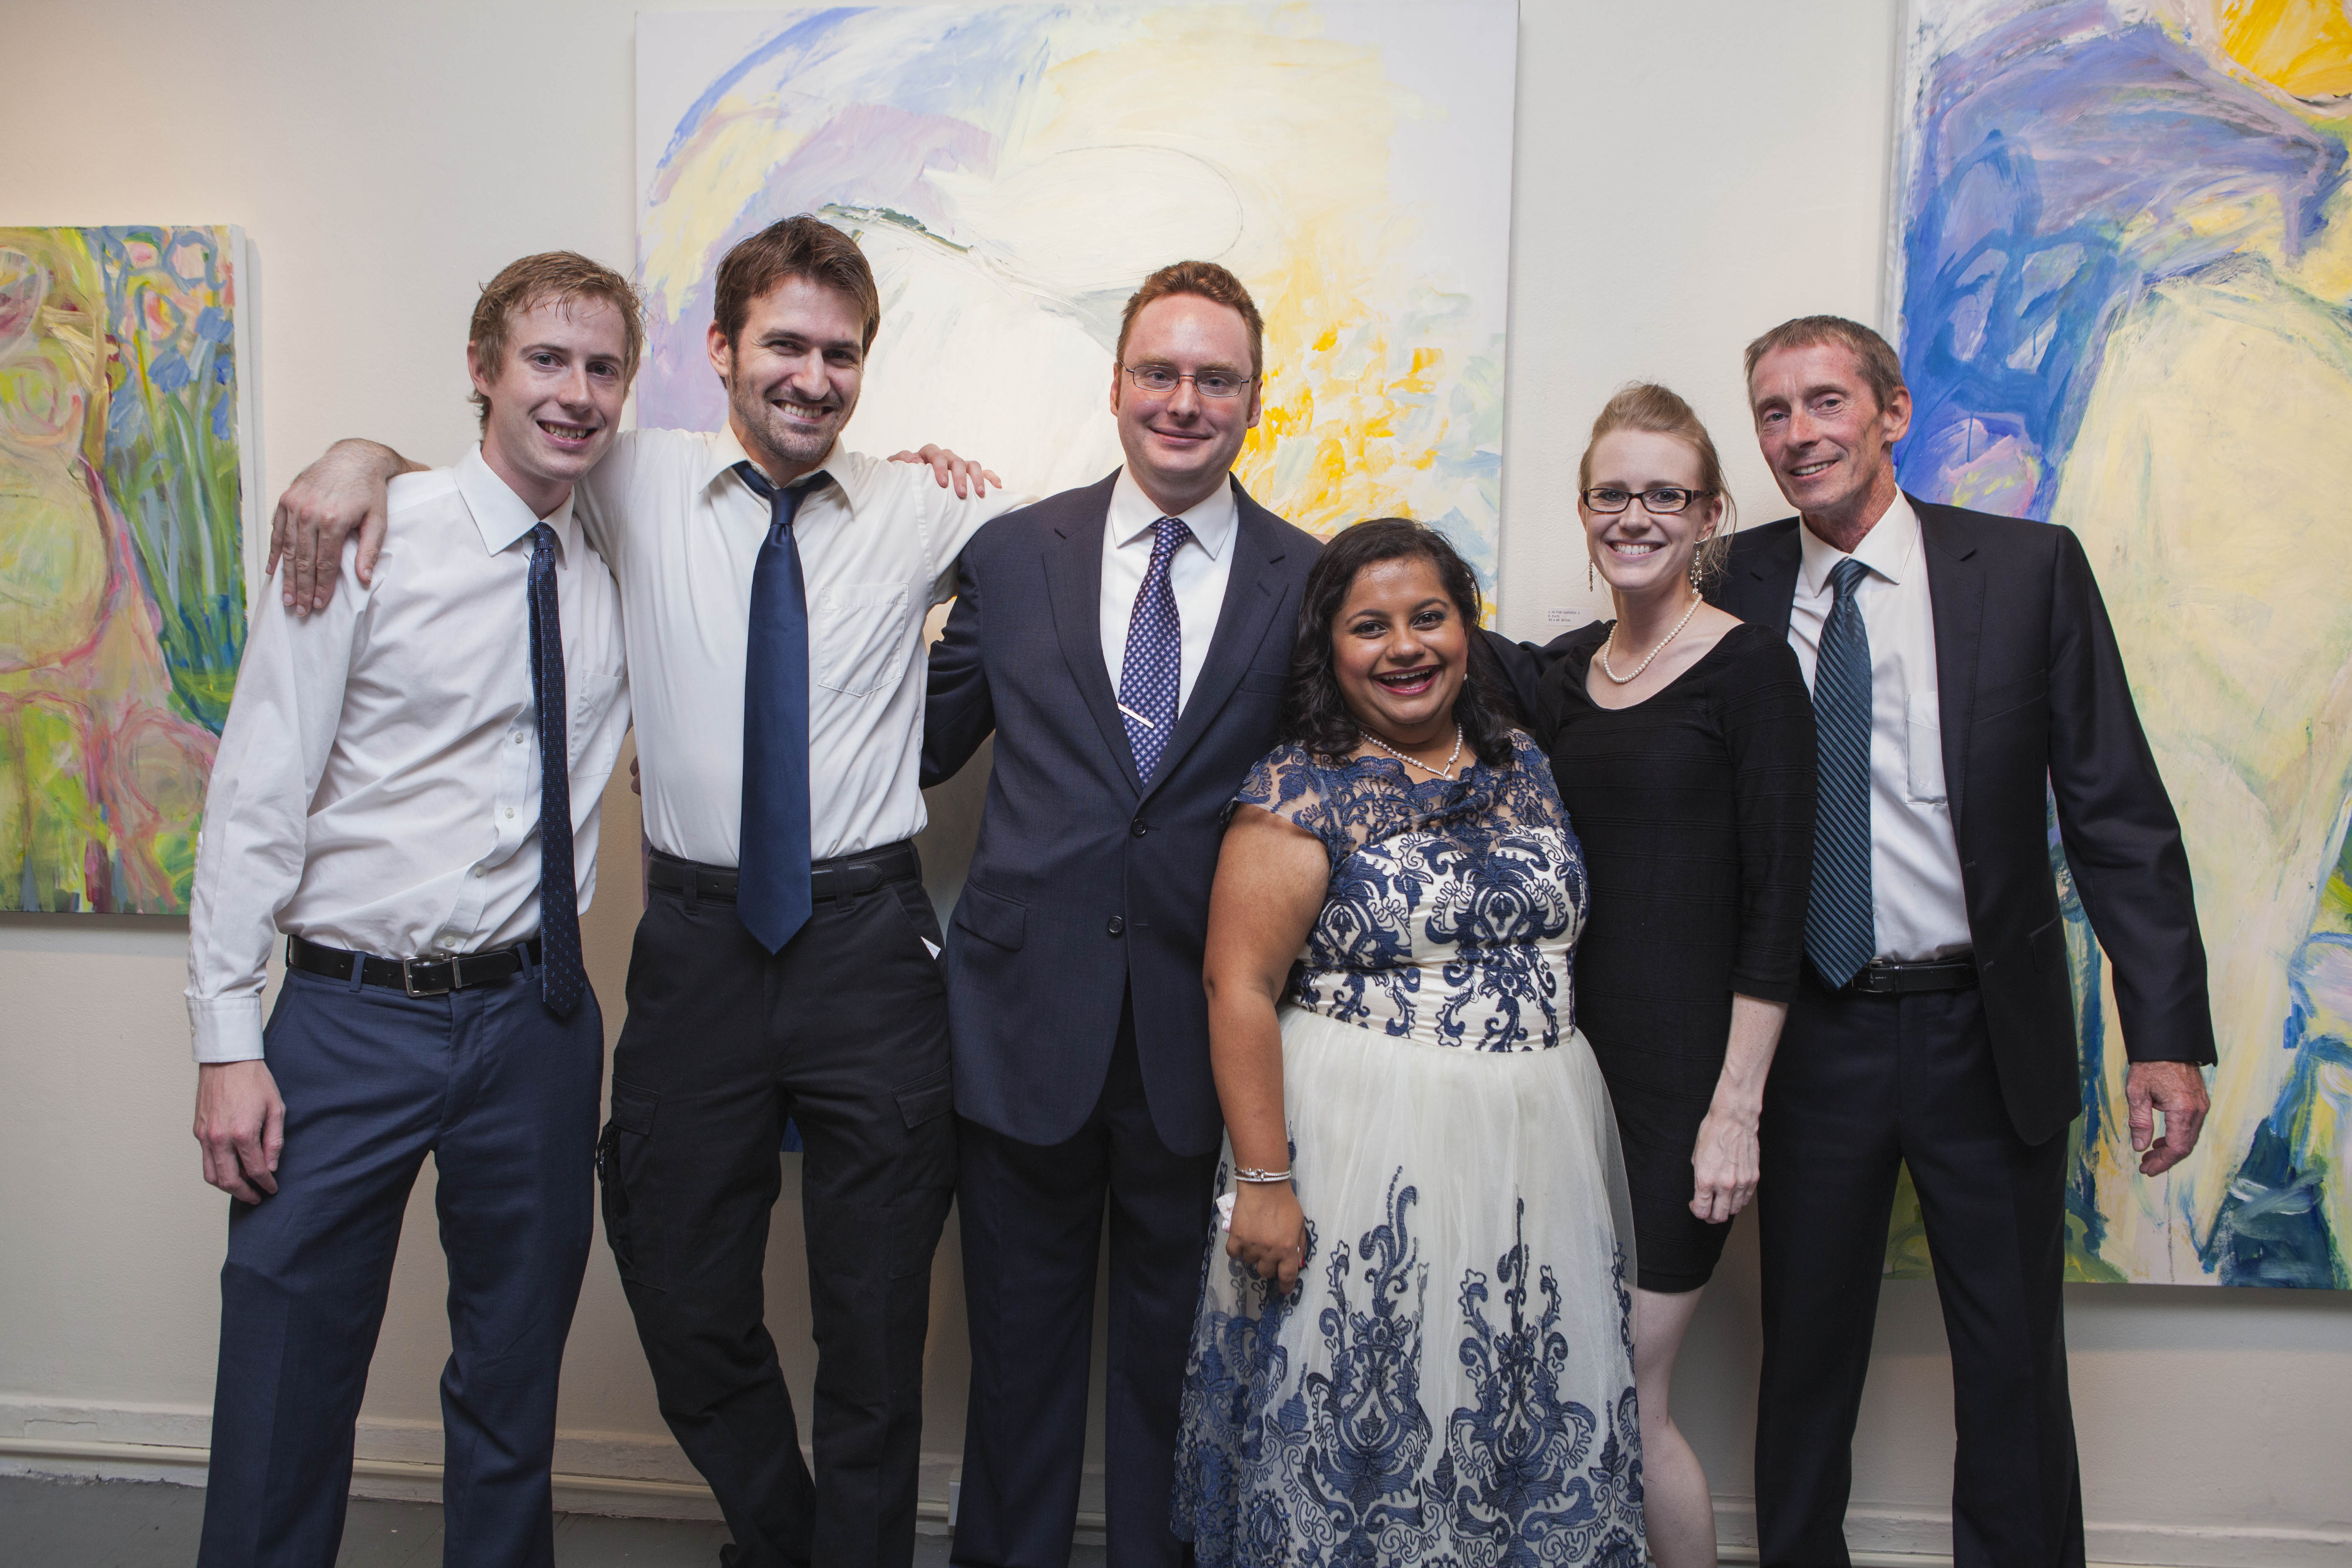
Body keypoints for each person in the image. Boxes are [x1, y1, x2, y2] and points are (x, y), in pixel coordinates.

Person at [263, 215, 1018, 1568]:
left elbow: (1074, 561)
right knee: (677, 1284)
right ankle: (786, 1537)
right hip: (699, 944)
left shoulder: (924, 508)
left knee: (875, 1317)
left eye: (841, 353)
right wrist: (357, 456)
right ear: (721, 348)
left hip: (867, 945)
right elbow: (488, 469)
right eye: (784, 344)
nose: (813, 377)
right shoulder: (631, 472)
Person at [1725, 316, 2215, 1567]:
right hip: (1812, 1030)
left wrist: (2165, 1036)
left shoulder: (2027, 568)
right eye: (1774, 411)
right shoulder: (1730, 584)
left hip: (1984, 1028)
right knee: (1805, 1356)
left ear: (1892, 413)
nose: (1799, 434)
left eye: (1826, 402)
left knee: (2010, 1359)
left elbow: (2117, 812)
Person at [184, 251, 640, 1567]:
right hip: (351, 1016)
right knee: (285, 1363)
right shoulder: (368, 539)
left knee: (513, 1376)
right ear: (483, 371)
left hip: (539, 1020)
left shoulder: (616, 555)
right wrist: (226, 1041)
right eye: (545, 360)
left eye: (602, 368)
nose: (575, 394)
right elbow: (257, 790)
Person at [919, 261, 1320, 1567]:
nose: (1184, 401)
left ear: (1253, 398)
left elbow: (1355, 765)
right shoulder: (1008, 552)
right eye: (1160, 372)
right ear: (1116, 385)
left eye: (1216, 378)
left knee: (1179, 1381)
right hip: (1021, 1024)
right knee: (1016, 1374)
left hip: (1202, 1037)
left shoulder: (1306, 580)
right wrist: (722, 742)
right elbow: (912, 741)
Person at [1172, 518, 1645, 1563]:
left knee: (1519, 1408)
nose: (1405, 647)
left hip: (1537, 1146)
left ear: (1466, 628)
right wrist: (1264, 1182)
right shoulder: (1300, 788)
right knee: (1367, 1412)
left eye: (1428, 617)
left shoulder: (1525, 761)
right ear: (1330, 649)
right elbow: (1237, 985)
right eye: (1370, 627)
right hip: (1367, 1152)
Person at [1526, 384, 1816, 1568]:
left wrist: (1734, 1113)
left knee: (1627, 1398)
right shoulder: (1558, 677)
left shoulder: (1750, 672)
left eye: (1664, 495)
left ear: (1708, 515)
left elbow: (1779, 906)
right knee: (1554, 1389)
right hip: (1558, 1087)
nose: (1634, 516)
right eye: (1612, 493)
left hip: (1683, 1093)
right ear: (1582, 508)